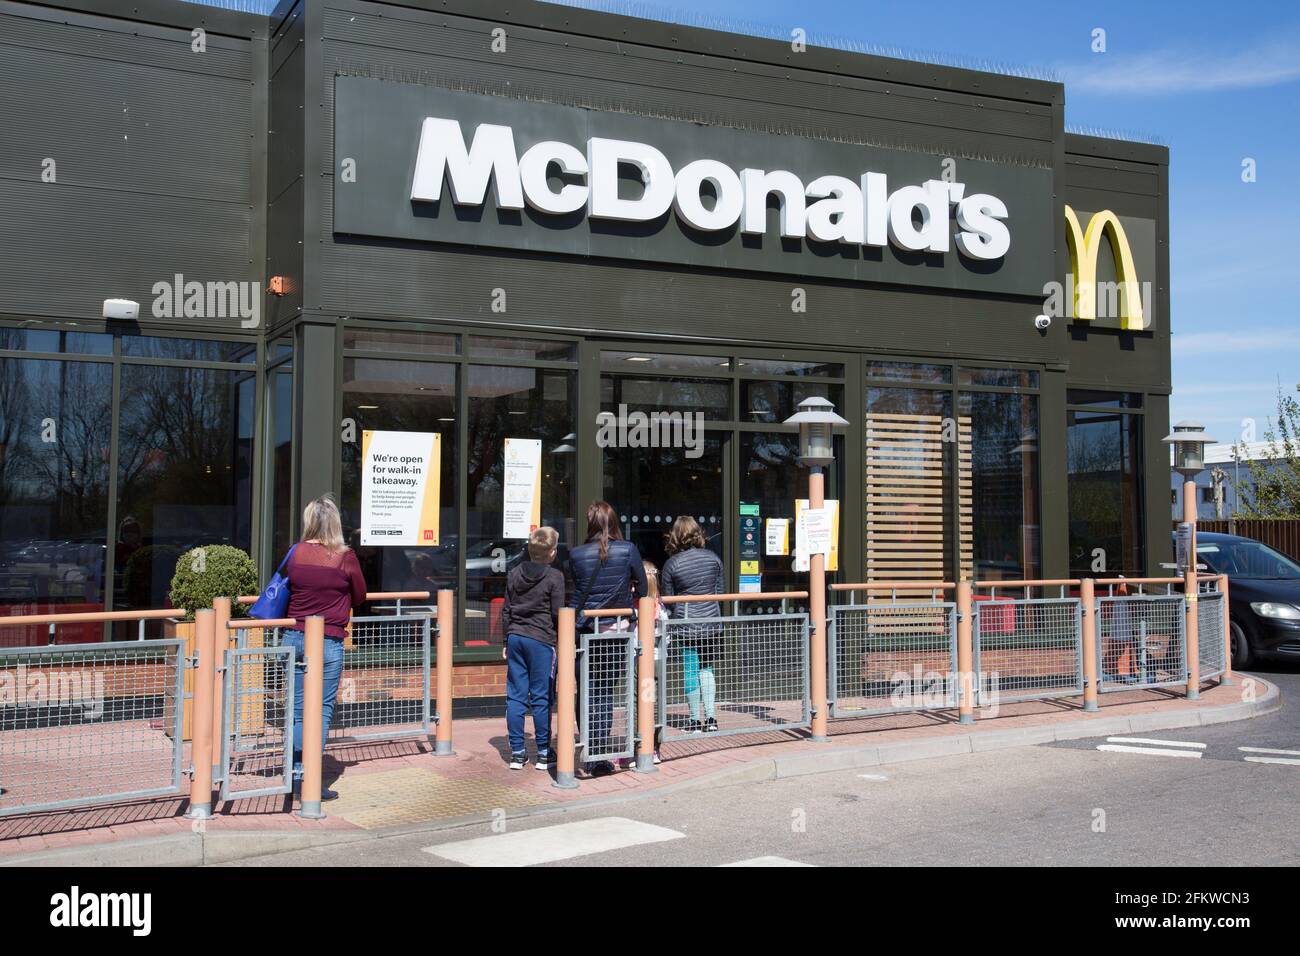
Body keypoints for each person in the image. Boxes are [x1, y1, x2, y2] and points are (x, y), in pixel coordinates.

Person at [282, 494, 367, 800]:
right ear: (335, 524)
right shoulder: (345, 556)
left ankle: (293, 776)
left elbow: (286, 585)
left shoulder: (296, 553)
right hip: (328, 640)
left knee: (296, 712)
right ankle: (310, 781)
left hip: (294, 638)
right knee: (320, 710)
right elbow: (360, 595)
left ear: (309, 522)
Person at [567, 501, 648, 777]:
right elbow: (644, 587)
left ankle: (590, 752)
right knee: (605, 691)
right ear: (614, 522)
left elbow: (576, 593)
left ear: (590, 523)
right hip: (616, 632)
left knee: (587, 692)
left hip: (586, 631)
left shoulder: (576, 554)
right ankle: (600, 754)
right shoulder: (628, 550)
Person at [501, 526, 565, 771]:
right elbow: (557, 613)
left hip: (516, 637)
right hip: (542, 640)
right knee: (541, 697)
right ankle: (544, 752)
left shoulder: (514, 572)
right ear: (551, 552)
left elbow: (507, 609)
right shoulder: (554, 576)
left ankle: (517, 753)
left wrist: (506, 641)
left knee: (516, 696)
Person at [661, 515, 725, 733]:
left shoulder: (672, 564)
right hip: (711, 622)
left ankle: (695, 720)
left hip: (686, 624)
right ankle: (712, 718)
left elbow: (668, 600)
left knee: (690, 670)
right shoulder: (714, 559)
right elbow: (720, 592)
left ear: (676, 536)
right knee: (707, 669)